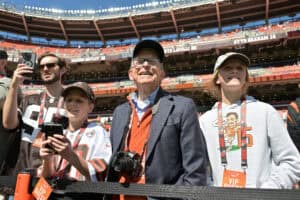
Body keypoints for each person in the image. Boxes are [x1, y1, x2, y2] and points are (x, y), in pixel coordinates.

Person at [106, 40, 207, 199]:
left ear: (162, 72)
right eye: (139, 61)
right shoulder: (120, 112)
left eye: (152, 61)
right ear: (131, 73)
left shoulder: (183, 107)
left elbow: (196, 171)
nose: (145, 65)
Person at [199, 52, 300, 189]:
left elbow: (292, 161)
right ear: (217, 78)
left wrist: (269, 190)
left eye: (240, 68)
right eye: (228, 68)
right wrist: (213, 193)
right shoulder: (205, 121)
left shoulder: (266, 112)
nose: (235, 70)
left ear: (245, 77)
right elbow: (200, 168)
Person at [2, 52, 68, 176]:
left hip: (51, 174)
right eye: (41, 66)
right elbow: (8, 124)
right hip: (20, 171)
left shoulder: (71, 102)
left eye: (50, 65)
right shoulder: (29, 100)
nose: (45, 69)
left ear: (63, 69)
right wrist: (14, 85)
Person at [40, 82, 111, 181]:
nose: (73, 104)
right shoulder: (60, 133)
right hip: (56, 194)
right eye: (69, 100)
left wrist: (70, 155)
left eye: (79, 100)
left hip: (81, 194)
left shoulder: (98, 131)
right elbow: (46, 177)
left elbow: (101, 172)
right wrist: (47, 160)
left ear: (90, 107)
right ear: (64, 105)